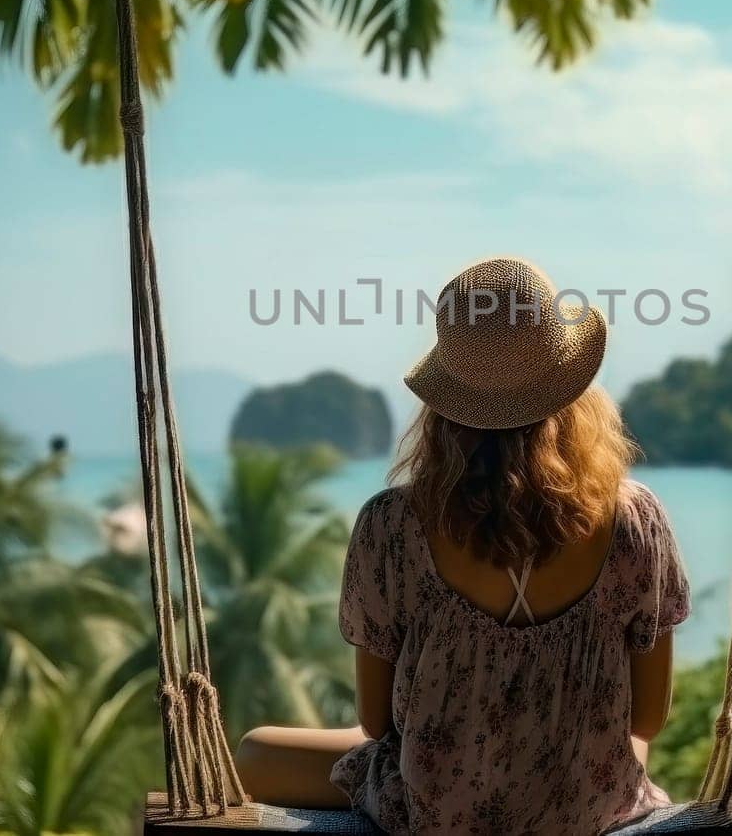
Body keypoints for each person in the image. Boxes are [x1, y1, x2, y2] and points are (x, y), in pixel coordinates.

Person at [235, 257, 690, 835]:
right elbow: (646, 720)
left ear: (445, 401)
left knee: (253, 752)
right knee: (624, 755)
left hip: (439, 810)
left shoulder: (392, 526)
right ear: (570, 389)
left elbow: (376, 723)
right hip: (586, 806)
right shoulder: (635, 520)